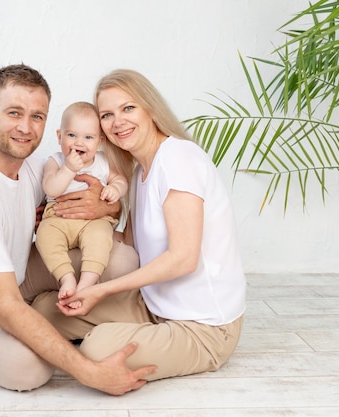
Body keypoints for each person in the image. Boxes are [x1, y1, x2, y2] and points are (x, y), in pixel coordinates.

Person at [0, 64, 155, 394]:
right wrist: (91, 372)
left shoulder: (33, 165)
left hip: (17, 276)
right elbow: (5, 305)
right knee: (29, 368)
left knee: (121, 258)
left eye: (37, 116)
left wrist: (105, 204)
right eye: (14, 113)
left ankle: (60, 313)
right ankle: (44, 320)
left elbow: (86, 194)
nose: (25, 127)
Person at [32, 69, 246, 382]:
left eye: (128, 108)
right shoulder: (137, 174)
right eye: (107, 114)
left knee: (96, 348)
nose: (118, 122)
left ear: (150, 108)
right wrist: (67, 218)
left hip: (204, 327)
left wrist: (100, 290)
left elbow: (184, 258)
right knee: (45, 311)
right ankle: (139, 334)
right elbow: (130, 245)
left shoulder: (178, 158)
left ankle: (131, 340)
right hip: (153, 307)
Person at [35, 102, 128, 306]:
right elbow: (51, 188)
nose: (79, 142)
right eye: (71, 135)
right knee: (45, 236)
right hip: (58, 217)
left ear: (99, 141)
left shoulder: (103, 162)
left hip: (93, 221)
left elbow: (121, 180)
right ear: (59, 136)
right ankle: (66, 278)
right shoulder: (56, 161)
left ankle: (86, 283)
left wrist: (115, 189)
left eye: (88, 137)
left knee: (101, 238)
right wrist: (68, 169)